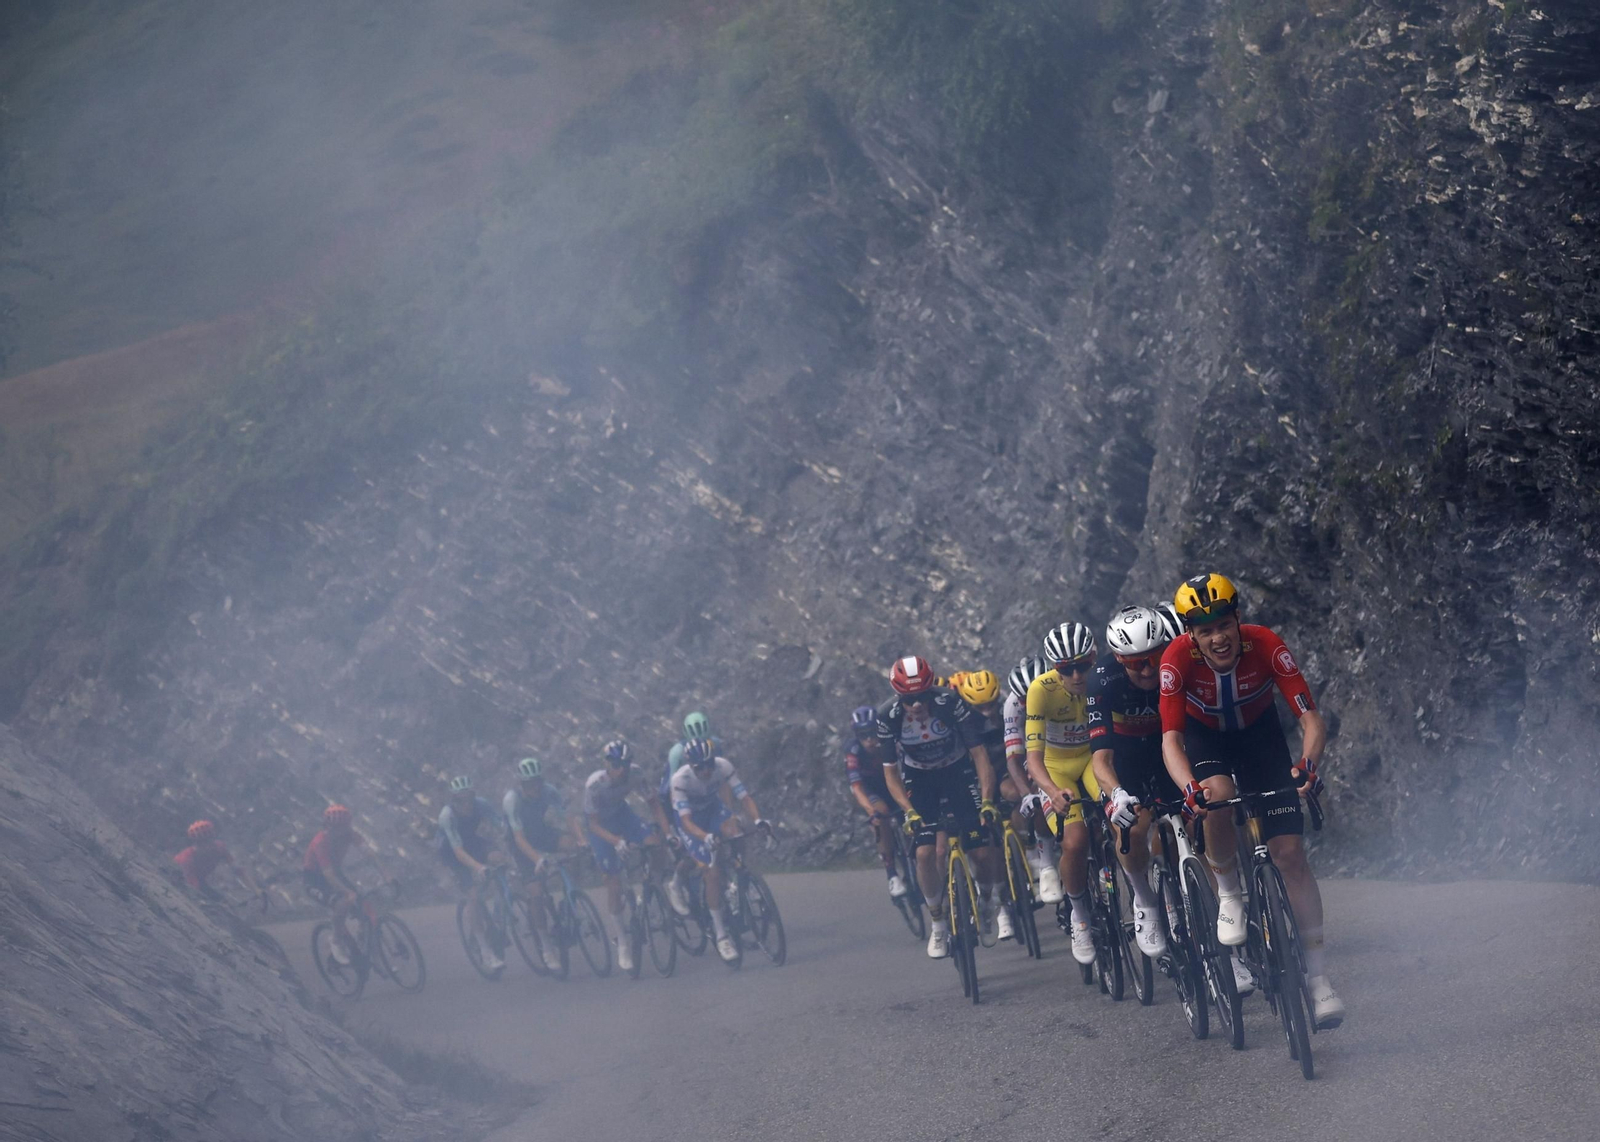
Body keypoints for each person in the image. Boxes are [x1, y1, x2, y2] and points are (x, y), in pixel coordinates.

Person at [1159, 572, 1344, 1028]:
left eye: (1224, 624)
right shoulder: (1176, 660)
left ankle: (1319, 982)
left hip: (1260, 739)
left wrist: (1308, 765)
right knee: (1217, 795)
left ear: (1238, 619)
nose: (1217, 638)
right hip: (1207, 743)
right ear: (1191, 635)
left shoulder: (1265, 644)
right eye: (1205, 631)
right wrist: (1189, 788)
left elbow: (1311, 719)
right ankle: (1228, 893)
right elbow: (1170, 741)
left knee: (1291, 856)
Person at [877, 655, 1009, 957]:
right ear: (900, 697)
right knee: (925, 853)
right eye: (909, 700)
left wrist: (987, 800)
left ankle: (988, 902)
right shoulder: (888, 715)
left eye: (923, 696)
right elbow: (890, 774)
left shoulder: (951, 702)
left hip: (957, 773)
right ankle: (937, 921)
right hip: (919, 779)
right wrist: (908, 811)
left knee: (981, 848)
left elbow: (980, 757)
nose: (917, 705)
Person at [1089, 606, 1177, 960]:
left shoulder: (1176, 664)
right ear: (1118, 659)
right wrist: (1116, 793)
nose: (1147, 670)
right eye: (1134, 663)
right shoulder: (1101, 679)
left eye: (1153, 658)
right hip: (1126, 756)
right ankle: (1144, 900)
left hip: (1170, 748)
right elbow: (1100, 758)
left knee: (1198, 817)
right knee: (1134, 830)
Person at [1025, 621, 1101, 966]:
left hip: (1093, 759)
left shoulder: (1103, 678)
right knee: (1073, 841)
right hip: (1056, 766)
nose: (1076, 676)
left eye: (1082, 666)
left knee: (1120, 818)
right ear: (1055, 669)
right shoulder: (1040, 690)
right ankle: (1079, 915)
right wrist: (1052, 791)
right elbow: (1033, 757)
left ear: (1094, 659)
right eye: (1066, 669)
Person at [669, 737, 771, 962]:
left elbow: (744, 797)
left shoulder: (723, 766)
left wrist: (758, 820)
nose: (706, 770)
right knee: (711, 873)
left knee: (737, 828)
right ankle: (722, 935)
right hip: (691, 821)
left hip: (713, 809)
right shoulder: (680, 780)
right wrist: (705, 837)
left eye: (709, 764)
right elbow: (685, 822)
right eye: (700, 767)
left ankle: (741, 875)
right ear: (691, 765)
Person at [583, 740, 673, 973]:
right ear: (606, 764)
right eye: (615, 764)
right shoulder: (595, 784)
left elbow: (654, 806)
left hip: (623, 815)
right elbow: (592, 824)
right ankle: (622, 941)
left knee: (655, 843)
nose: (620, 769)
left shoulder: (636, 774)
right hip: (601, 827)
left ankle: (653, 885)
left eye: (624, 764)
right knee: (612, 884)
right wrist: (616, 842)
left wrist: (669, 833)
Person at [503, 756, 578, 971]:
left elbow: (568, 817)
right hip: (520, 843)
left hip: (541, 832)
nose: (534, 787)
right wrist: (537, 859)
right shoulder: (512, 799)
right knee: (536, 893)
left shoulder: (549, 790)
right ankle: (546, 947)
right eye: (529, 784)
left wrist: (581, 840)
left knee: (571, 846)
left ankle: (570, 894)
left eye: (537, 782)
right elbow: (518, 838)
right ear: (522, 784)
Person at [304, 804, 394, 965]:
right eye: (338, 828)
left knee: (365, 906)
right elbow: (328, 875)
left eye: (345, 827)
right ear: (328, 826)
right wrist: (347, 892)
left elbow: (370, 855)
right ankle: (336, 940)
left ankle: (366, 940)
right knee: (342, 903)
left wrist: (387, 875)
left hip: (335, 873)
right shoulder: (320, 842)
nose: (342, 832)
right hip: (315, 879)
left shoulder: (351, 834)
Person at [1004, 656, 1062, 904]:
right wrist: (1025, 793)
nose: (1029, 704)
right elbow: (1014, 758)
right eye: (1023, 700)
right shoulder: (1012, 706)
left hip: (1065, 745)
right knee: (1038, 793)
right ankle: (1047, 862)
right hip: (1035, 751)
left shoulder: (1063, 689)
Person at [437, 776, 507, 973]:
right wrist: (478, 867)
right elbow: (458, 852)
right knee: (473, 896)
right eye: (461, 800)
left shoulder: (480, 804)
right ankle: (485, 950)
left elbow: (501, 824)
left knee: (498, 859)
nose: (466, 804)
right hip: (452, 852)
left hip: (472, 842)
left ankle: (501, 909)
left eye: (469, 798)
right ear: (454, 800)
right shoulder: (447, 815)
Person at [846, 704, 906, 898]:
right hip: (871, 790)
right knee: (881, 815)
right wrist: (871, 812)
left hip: (895, 784)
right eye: (863, 736)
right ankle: (892, 875)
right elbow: (856, 787)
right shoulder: (853, 751)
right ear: (857, 736)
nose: (870, 740)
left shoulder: (891, 741)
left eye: (873, 734)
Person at [174, 819, 265, 905]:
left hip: (199, 881)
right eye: (202, 843)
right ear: (195, 843)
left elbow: (238, 870)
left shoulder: (219, 848)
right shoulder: (186, 859)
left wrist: (256, 890)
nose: (208, 846)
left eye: (210, 841)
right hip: (180, 882)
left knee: (223, 902)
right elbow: (193, 887)